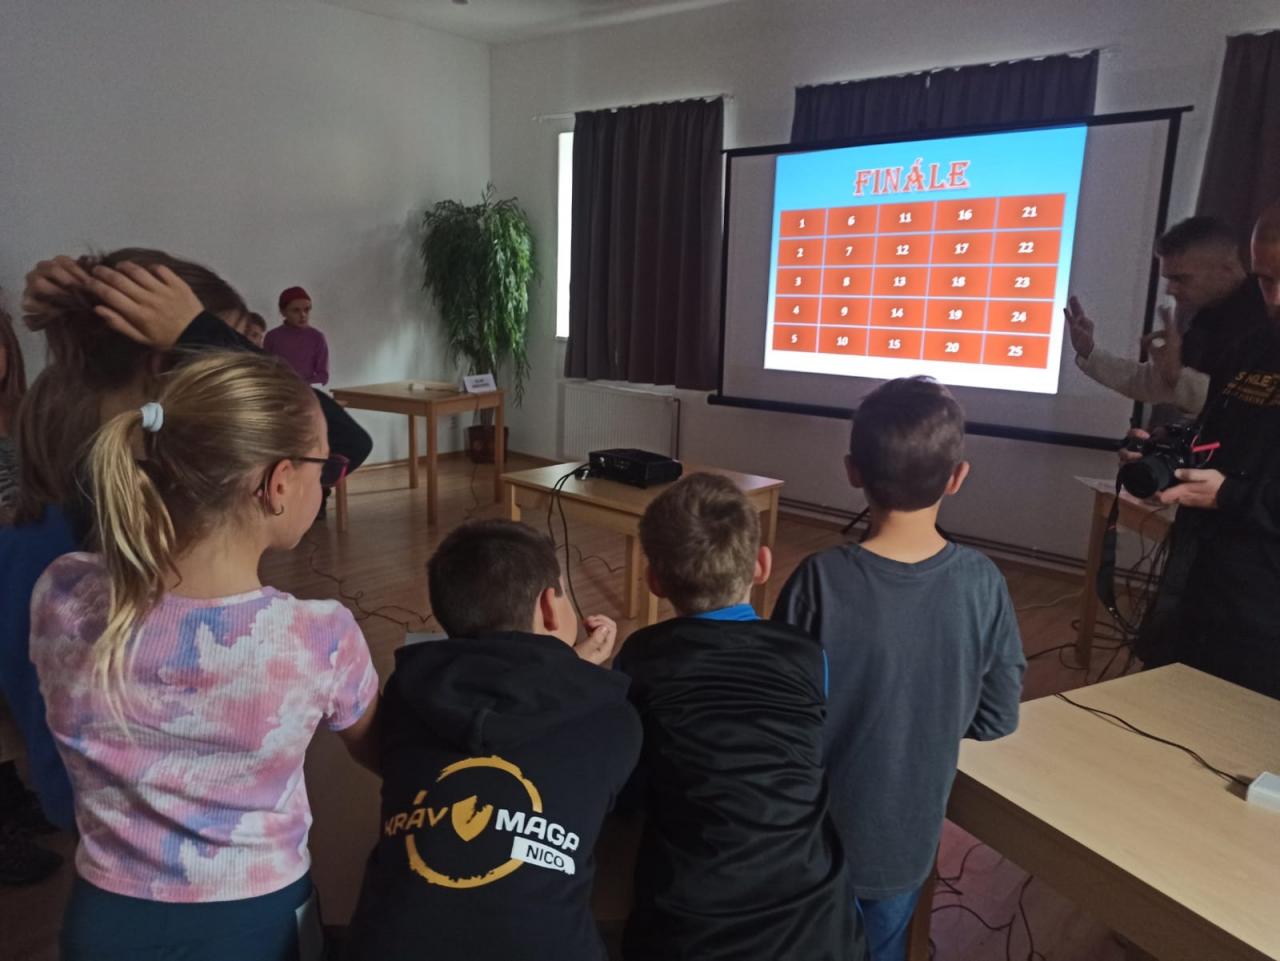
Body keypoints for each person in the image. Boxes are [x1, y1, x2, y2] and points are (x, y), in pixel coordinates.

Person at [30, 350, 379, 961]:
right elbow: (381, 749)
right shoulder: (318, 638)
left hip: (102, 921)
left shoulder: (62, 593)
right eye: (325, 466)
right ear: (277, 483)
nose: (328, 481)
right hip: (257, 922)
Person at [773, 377, 1026, 961]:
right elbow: (996, 717)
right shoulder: (982, 583)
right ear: (957, 477)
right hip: (903, 846)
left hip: (807, 839)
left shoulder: (819, 579)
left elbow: (779, 713)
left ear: (852, 471)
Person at [346, 519, 639, 961]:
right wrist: (575, 672)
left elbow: (499, 700)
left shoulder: (407, 694)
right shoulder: (612, 716)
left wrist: (568, 668)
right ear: (549, 607)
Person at [615, 473, 863, 961]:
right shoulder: (807, 653)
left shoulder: (641, 655)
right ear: (762, 565)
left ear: (653, 580)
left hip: (689, 930)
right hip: (816, 925)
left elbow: (630, 785)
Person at [1136, 203, 1280, 698]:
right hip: (1203, 591)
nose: (1275, 299)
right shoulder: (1254, 346)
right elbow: (1217, 436)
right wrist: (1172, 454)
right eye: (1266, 281)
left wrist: (1230, 495)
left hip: (1266, 628)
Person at [1065, 216, 1268, 418]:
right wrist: (1089, 352)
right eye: (1169, 279)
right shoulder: (1207, 318)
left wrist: (1176, 376)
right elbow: (1153, 383)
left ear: (1226, 269)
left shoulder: (1268, 319)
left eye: (1181, 279)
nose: (1170, 290)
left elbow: (1247, 410)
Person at [265, 286, 329, 386]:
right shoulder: (272, 337)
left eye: (307, 310)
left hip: (305, 391)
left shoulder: (317, 337)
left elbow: (323, 375)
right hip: (277, 390)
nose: (303, 315)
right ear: (283, 312)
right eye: (296, 310)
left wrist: (301, 385)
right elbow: (265, 369)